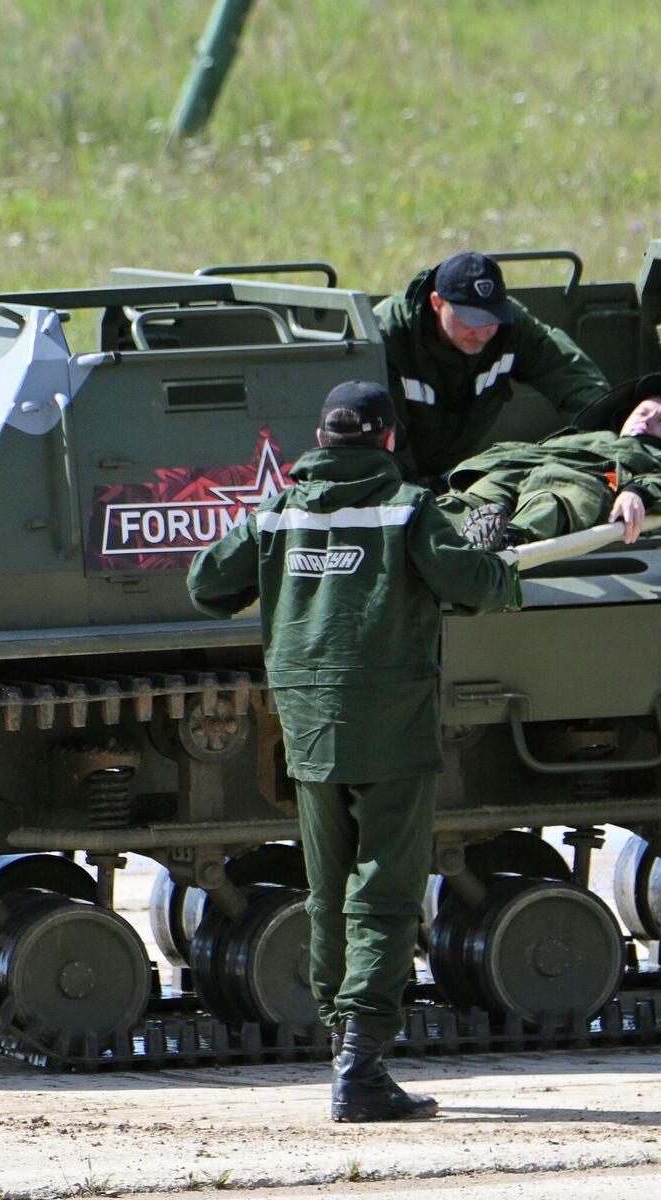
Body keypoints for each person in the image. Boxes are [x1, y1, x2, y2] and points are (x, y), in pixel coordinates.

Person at [186, 380, 515, 1122]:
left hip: (308, 726)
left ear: (324, 439)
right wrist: (498, 563)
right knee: (387, 892)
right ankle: (362, 1063)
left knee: (329, 888)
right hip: (391, 723)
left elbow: (207, 583)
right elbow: (472, 585)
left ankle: (342, 1042)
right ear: (389, 439)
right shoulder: (408, 507)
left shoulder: (280, 506)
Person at [375, 251, 610, 480]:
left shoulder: (510, 327)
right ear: (437, 302)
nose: (481, 332)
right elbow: (381, 441)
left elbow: (568, 372)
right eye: (469, 319)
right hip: (396, 480)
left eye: (491, 318)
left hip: (459, 472)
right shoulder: (388, 338)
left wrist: (610, 429)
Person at [441, 372, 661, 550]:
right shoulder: (587, 437)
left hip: (595, 479)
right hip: (523, 467)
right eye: (643, 411)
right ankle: (435, 534)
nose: (648, 420)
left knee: (553, 499)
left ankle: (507, 540)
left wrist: (638, 492)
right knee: (481, 496)